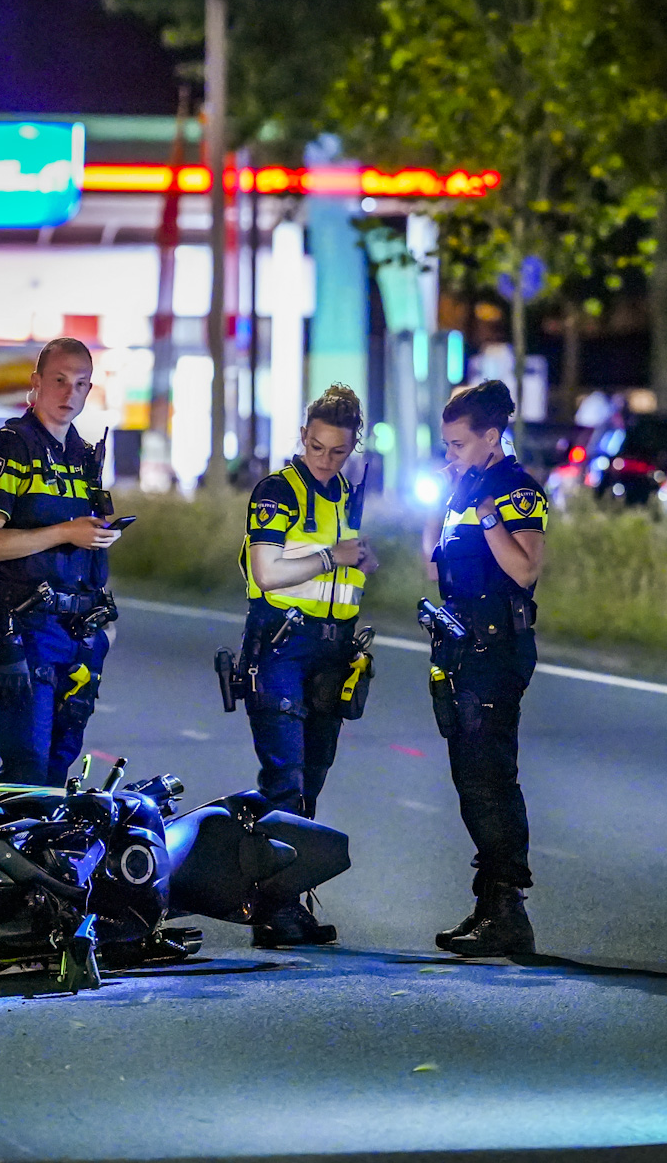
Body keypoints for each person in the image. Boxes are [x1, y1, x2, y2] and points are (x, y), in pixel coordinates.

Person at [236, 383, 379, 947]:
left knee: (311, 781)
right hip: (281, 646)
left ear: (353, 447)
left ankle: (289, 895)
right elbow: (266, 572)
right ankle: (273, 909)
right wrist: (330, 557)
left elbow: (346, 569)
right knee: (285, 781)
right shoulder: (278, 490)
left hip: (332, 651)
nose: (325, 459)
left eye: (338, 451)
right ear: (302, 437)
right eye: (316, 447)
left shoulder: (347, 494)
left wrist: (362, 561)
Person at [423, 379, 547, 957]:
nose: (450, 454)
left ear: (491, 437)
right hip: (461, 649)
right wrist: (445, 501)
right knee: (471, 778)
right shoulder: (464, 490)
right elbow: (434, 567)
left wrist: (486, 512)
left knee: (490, 778)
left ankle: (507, 910)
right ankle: (490, 904)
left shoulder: (515, 490)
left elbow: (524, 570)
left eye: (458, 444)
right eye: (446, 444)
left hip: (496, 651)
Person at [0, 338, 121, 786]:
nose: (70, 393)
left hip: (81, 633)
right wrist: (64, 532)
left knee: (58, 770)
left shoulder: (84, 454)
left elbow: (81, 547)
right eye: (59, 380)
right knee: (27, 771)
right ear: (36, 383)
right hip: (30, 629)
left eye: (81, 384)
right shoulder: (9, 447)